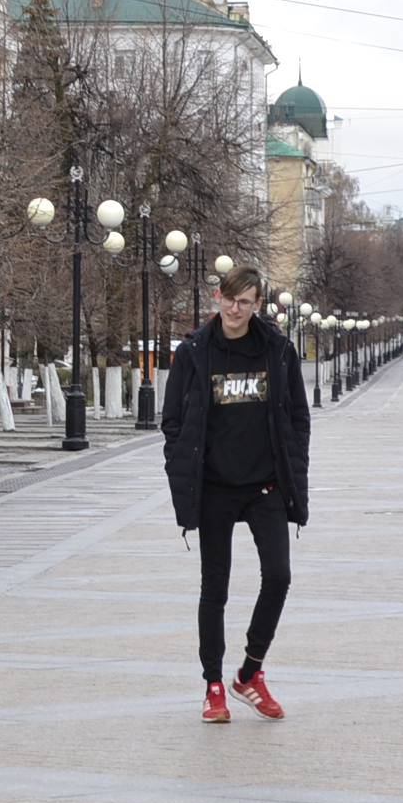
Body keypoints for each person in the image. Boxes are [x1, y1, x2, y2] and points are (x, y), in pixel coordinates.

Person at [159, 265, 310, 725]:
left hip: (264, 486)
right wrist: (182, 470)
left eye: (245, 302)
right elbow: (173, 422)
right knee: (215, 588)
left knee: (279, 576)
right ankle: (214, 686)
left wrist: (292, 473)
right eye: (229, 299)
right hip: (215, 488)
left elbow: (299, 419)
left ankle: (250, 672)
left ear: (258, 305)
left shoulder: (278, 352)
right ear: (218, 297)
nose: (235, 309)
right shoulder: (195, 353)